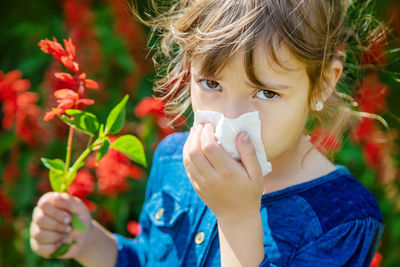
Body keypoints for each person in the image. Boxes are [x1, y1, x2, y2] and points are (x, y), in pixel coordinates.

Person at [30, 0, 385, 266]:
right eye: (211, 83)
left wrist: (238, 219)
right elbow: (151, 258)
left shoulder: (341, 219)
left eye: (266, 92)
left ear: (323, 83)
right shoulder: (173, 159)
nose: (230, 118)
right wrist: (89, 241)